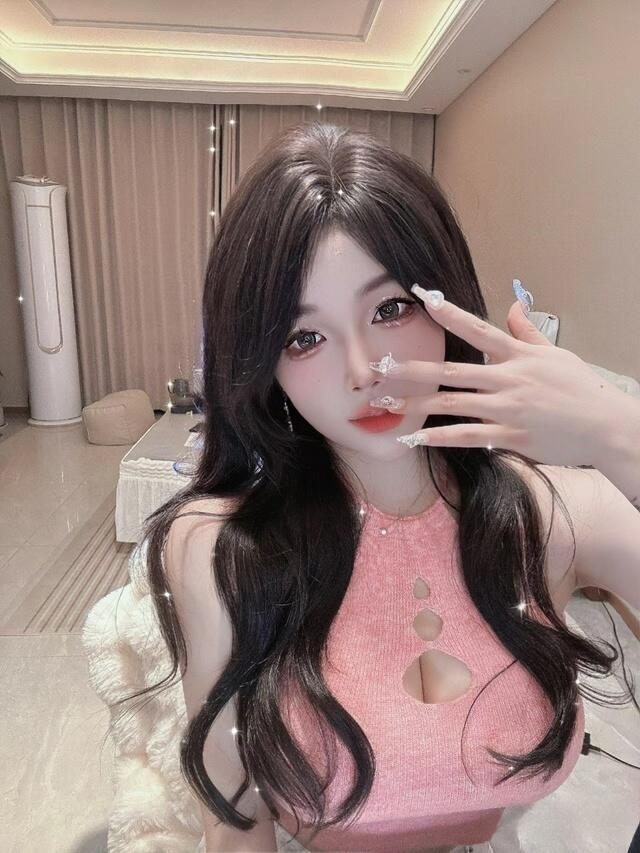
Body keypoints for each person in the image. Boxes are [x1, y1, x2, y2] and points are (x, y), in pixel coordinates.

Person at [130, 122, 640, 853]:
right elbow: (235, 822)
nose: (363, 370)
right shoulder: (223, 546)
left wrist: (619, 431)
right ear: (263, 362)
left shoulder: (548, 514)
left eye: (391, 309)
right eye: (305, 338)